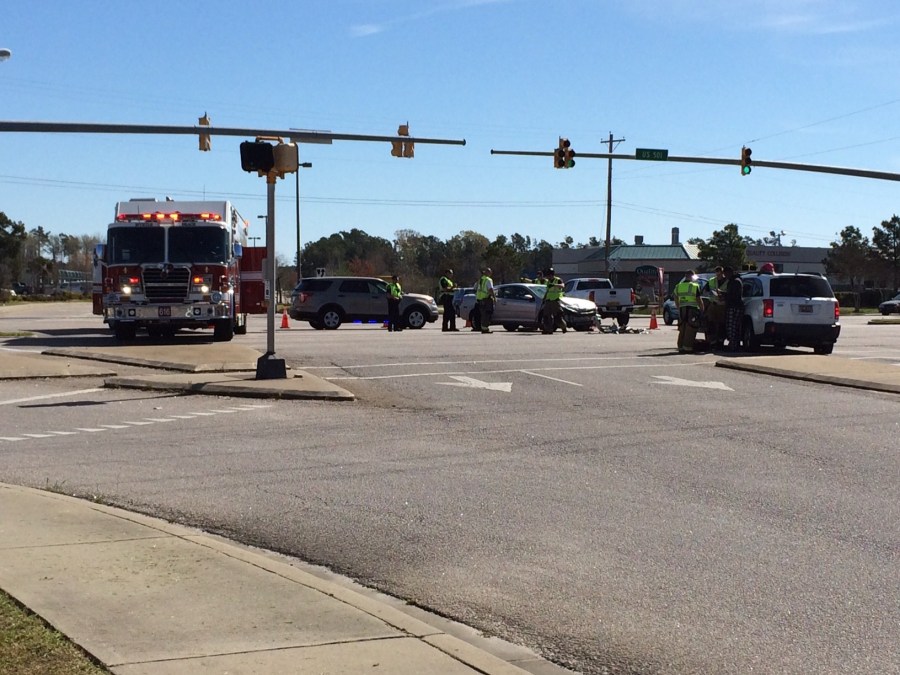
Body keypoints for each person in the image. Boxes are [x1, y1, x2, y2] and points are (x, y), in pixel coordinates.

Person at [674, 270, 702, 353]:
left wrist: (679, 307)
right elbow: (698, 299)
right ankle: (688, 347)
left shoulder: (678, 286)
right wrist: (702, 308)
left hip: (682, 309)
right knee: (690, 328)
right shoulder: (694, 286)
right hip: (692, 309)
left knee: (682, 328)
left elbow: (675, 298)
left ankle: (680, 347)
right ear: (692, 276)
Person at [704, 266, 726, 349]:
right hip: (713, 304)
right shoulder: (712, 281)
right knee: (711, 323)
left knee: (721, 324)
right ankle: (712, 341)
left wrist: (722, 293)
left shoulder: (727, 281)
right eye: (717, 272)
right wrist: (711, 293)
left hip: (723, 305)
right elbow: (705, 290)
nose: (718, 274)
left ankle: (720, 341)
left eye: (720, 272)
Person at [723, 266, 744, 352]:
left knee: (732, 326)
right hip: (735, 306)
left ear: (729, 273)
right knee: (733, 326)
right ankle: (734, 344)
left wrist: (724, 295)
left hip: (734, 306)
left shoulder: (735, 282)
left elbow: (734, 295)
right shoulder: (735, 281)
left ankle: (733, 345)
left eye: (725, 274)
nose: (725, 276)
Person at [541, 267, 567, 334]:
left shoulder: (558, 280)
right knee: (546, 316)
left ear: (552, 275)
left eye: (549, 275)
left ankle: (563, 327)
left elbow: (562, 286)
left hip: (555, 301)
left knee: (558, 317)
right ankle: (548, 329)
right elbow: (548, 291)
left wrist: (554, 285)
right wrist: (544, 298)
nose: (548, 277)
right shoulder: (548, 282)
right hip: (548, 300)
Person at [475, 267, 496, 333]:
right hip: (486, 299)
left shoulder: (480, 279)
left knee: (483, 314)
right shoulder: (488, 280)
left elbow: (475, 287)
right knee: (487, 314)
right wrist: (494, 297)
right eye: (489, 272)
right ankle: (485, 328)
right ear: (487, 273)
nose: (490, 273)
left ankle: (483, 327)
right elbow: (490, 289)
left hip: (479, 299)